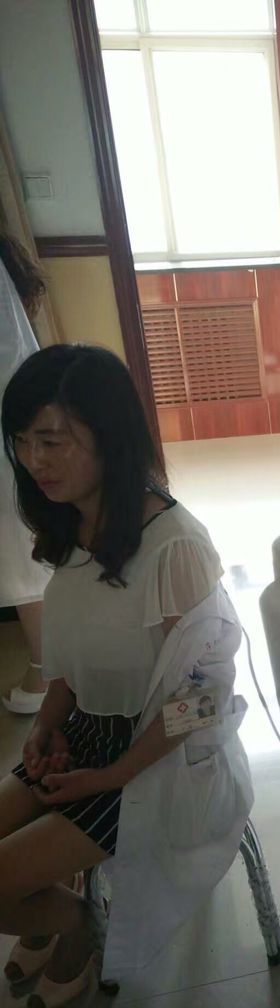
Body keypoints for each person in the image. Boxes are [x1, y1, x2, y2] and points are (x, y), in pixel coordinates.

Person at [0, 344, 253, 1008]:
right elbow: (70, 666)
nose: (34, 461)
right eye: (22, 442)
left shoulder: (175, 548)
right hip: (87, 735)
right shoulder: (72, 524)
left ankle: (76, 925)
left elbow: (205, 700)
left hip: (158, 762)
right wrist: (46, 728)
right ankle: (51, 907)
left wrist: (111, 775)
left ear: (109, 437)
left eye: (52, 441)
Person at [0, 232, 51, 713]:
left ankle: (45, 671)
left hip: (10, 423)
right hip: (19, 411)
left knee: (20, 553)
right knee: (24, 547)